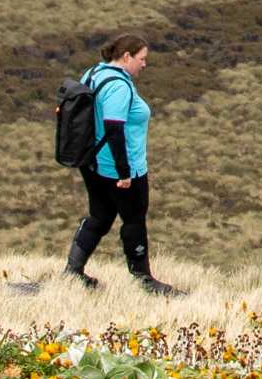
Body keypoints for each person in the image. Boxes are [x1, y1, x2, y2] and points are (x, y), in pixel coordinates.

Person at [63, 34, 182, 295]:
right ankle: (144, 280)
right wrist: (124, 172)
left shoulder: (94, 72)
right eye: (142, 59)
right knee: (134, 219)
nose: (144, 64)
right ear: (126, 56)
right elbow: (114, 129)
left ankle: (72, 272)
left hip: (92, 163)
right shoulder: (118, 86)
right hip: (119, 169)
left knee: (100, 216)